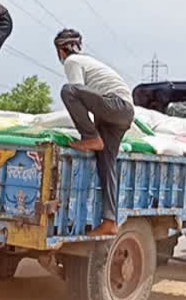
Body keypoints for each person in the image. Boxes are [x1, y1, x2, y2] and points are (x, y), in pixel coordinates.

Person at [54, 29, 134, 237]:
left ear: (61, 50)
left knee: (67, 91)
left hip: (114, 105)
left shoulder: (72, 61)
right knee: (106, 163)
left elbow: (76, 90)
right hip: (120, 113)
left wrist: (87, 131)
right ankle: (110, 221)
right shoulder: (90, 62)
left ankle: (90, 138)